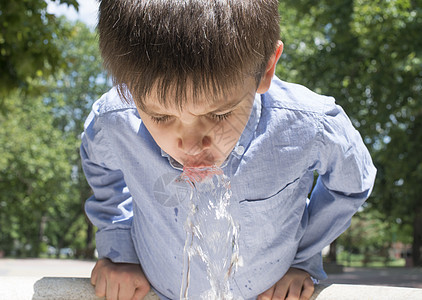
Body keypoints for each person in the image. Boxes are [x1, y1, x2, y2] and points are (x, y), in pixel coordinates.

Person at [80, 1, 377, 299]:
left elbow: (351, 184)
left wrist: (302, 260)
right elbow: (100, 166)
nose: (192, 144)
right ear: (127, 85)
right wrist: (119, 249)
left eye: (219, 114)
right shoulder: (115, 121)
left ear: (266, 69)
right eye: (161, 117)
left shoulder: (309, 125)